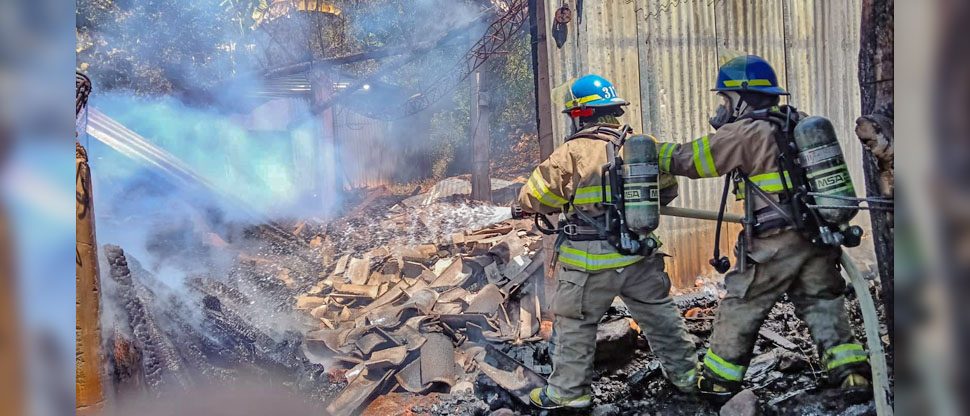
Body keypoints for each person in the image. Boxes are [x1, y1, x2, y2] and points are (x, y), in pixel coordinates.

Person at [654, 55, 871, 399]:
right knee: (821, 301)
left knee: (742, 304)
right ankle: (851, 374)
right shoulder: (796, 121)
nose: (723, 106)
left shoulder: (745, 132)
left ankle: (718, 382)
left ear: (742, 97)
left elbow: (692, 160)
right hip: (816, 236)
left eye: (726, 98)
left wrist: (650, 152)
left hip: (775, 242)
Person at [519, 74, 698, 410]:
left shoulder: (571, 152)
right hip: (639, 255)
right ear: (613, 110)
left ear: (579, 115)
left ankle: (569, 393)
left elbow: (535, 198)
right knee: (661, 317)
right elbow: (668, 190)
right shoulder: (641, 145)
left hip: (590, 265)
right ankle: (687, 376)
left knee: (575, 326)